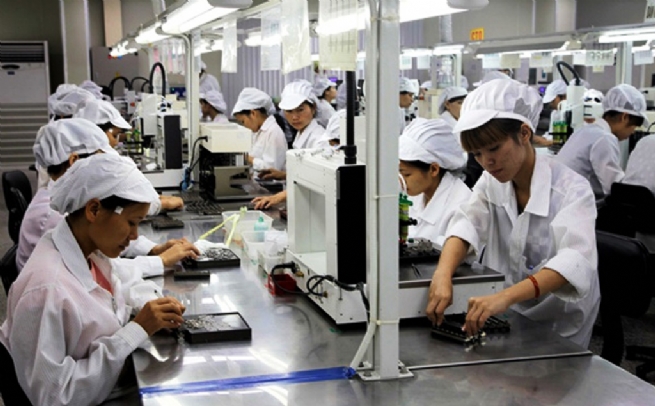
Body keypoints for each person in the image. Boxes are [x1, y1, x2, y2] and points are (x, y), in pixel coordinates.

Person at [1, 153, 190, 405]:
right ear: (94, 209)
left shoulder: (87, 250)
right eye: (131, 223)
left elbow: (115, 286)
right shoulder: (47, 290)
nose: (135, 236)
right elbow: (55, 396)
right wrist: (136, 330)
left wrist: (147, 311)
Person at [426, 79, 600, 348]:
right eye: (477, 154)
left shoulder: (571, 190)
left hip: (559, 326)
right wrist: (442, 274)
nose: (487, 162)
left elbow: (574, 261)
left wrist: (505, 296)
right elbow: (467, 223)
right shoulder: (491, 181)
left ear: (524, 133)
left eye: (494, 148)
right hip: (508, 317)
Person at [17, 119, 199, 276]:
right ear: (74, 162)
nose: (108, 169)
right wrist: (160, 261)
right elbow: (109, 269)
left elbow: (105, 243)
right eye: (101, 162)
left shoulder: (66, 203)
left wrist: (153, 250)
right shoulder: (53, 214)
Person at [75, 99, 184, 213]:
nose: (116, 142)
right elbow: (123, 207)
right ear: (97, 133)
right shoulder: (103, 165)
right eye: (114, 135)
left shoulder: (81, 160)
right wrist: (161, 204)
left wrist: (157, 199)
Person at [556, 84, 648, 198]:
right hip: (571, 201)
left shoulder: (585, 130)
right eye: (635, 126)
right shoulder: (604, 138)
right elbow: (614, 187)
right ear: (624, 117)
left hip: (561, 197)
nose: (633, 132)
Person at [398, 118, 470, 246]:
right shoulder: (417, 192)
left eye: (407, 174)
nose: (401, 181)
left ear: (433, 169)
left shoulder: (461, 205)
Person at [232, 87, 288, 174]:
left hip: (271, 182)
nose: (244, 126)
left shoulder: (274, 132)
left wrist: (248, 158)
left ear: (253, 113)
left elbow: (272, 169)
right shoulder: (257, 132)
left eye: (243, 121)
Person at [279, 80, 325, 150]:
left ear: (313, 108)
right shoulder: (300, 133)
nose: (294, 117)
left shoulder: (319, 140)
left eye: (300, 110)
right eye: (289, 111)